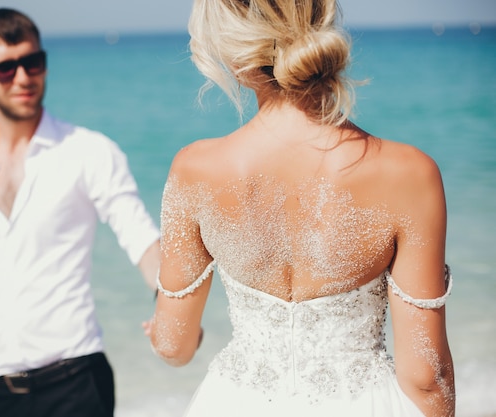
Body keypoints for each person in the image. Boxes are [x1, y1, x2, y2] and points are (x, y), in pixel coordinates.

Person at [146, 0, 455, 416]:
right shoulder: (410, 173)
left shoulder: (194, 170)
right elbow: (427, 377)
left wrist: (163, 330)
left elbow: (173, 345)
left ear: (236, 53)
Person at [0, 8, 160, 417]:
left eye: (32, 62)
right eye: (4, 68)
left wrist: (172, 303)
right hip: (0, 390)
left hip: (78, 379)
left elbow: (141, 237)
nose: (22, 77)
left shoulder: (89, 152)